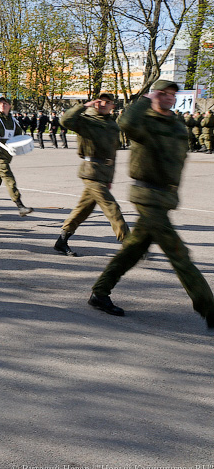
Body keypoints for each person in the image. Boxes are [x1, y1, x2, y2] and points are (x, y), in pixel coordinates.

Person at [87, 80, 214, 329]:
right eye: (163, 93)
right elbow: (125, 123)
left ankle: (100, 293)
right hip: (147, 195)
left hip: (165, 197)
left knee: (133, 249)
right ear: (154, 95)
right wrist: (144, 99)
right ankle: (208, 308)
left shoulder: (176, 123)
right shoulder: (144, 121)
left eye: (172, 94)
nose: (168, 98)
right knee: (179, 253)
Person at [54, 93, 129, 256]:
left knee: (84, 209)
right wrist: (84, 106)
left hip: (104, 173)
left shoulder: (113, 126)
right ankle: (129, 243)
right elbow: (65, 120)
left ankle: (62, 240)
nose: (103, 104)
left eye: (107, 102)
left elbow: (113, 155)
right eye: (100, 101)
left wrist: (109, 179)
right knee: (111, 206)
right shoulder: (86, 120)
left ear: (112, 106)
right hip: (90, 170)